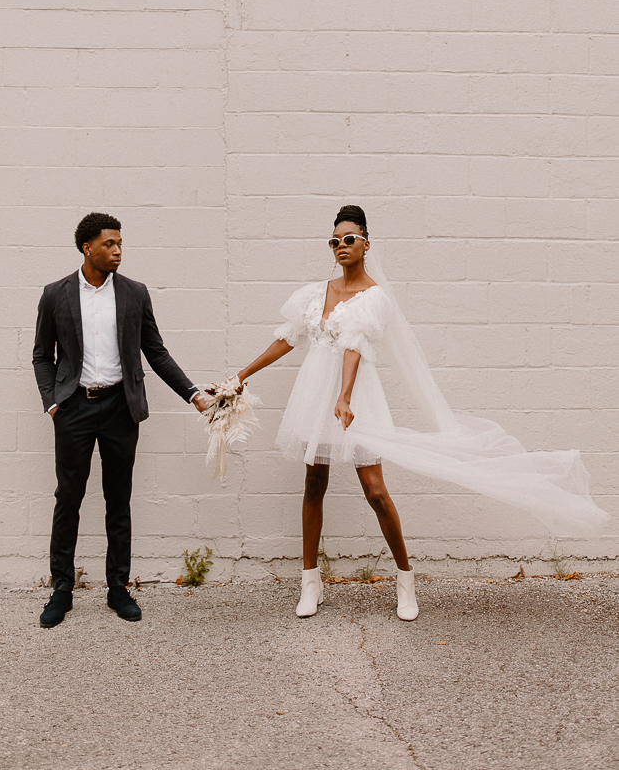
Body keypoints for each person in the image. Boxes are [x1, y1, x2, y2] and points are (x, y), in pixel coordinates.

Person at [234, 204, 609, 622]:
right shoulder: (315, 293)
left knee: (375, 490)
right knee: (314, 481)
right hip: (313, 394)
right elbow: (289, 339)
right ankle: (310, 583)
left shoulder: (374, 297)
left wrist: (345, 398)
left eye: (349, 239)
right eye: (334, 241)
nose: (341, 246)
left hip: (355, 397)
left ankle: (405, 579)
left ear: (365, 244)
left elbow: (355, 346)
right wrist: (243, 373)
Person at [32, 212, 211, 628]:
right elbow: (42, 355)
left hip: (120, 408)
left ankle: (118, 587)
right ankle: (61, 588)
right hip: (73, 407)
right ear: (86, 247)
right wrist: (52, 402)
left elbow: (156, 351)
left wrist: (193, 394)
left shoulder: (134, 293)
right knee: (69, 498)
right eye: (109, 244)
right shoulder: (55, 294)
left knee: (118, 500)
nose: (117, 251)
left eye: (119, 244)